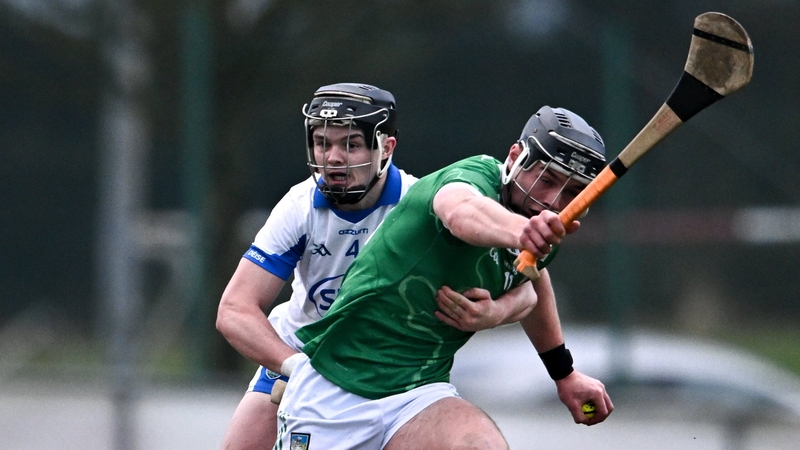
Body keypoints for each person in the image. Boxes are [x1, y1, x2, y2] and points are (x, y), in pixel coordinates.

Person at [215, 83, 535, 449]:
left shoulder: (420, 205)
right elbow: (234, 310)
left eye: (350, 145)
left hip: (393, 375)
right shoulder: (299, 206)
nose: (333, 158)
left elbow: (529, 281)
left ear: (387, 147)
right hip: (303, 355)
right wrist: (298, 369)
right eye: (323, 143)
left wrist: (497, 312)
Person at [274, 105, 615, 449]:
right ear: (516, 157)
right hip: (336, 386)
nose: (551, 200)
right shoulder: (474, 177)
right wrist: (524, 231)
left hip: (417, 394)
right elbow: (459, 212)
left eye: (572, 191)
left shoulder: (543, 225)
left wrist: (563, 373)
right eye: (547, 179)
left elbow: (532, 283)